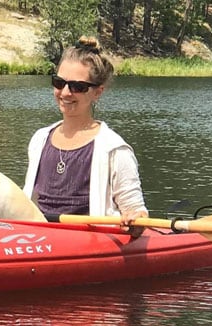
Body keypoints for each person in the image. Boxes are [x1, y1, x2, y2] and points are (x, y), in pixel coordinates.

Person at [23, 35, 148, 233]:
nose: (65, 93)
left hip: (89, 243)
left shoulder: (115, 149)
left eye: (77, 87)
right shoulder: (40, 139)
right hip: (40, 239)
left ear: (97, 92)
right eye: (59, 82)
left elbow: (137, 212)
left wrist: (135, 218)